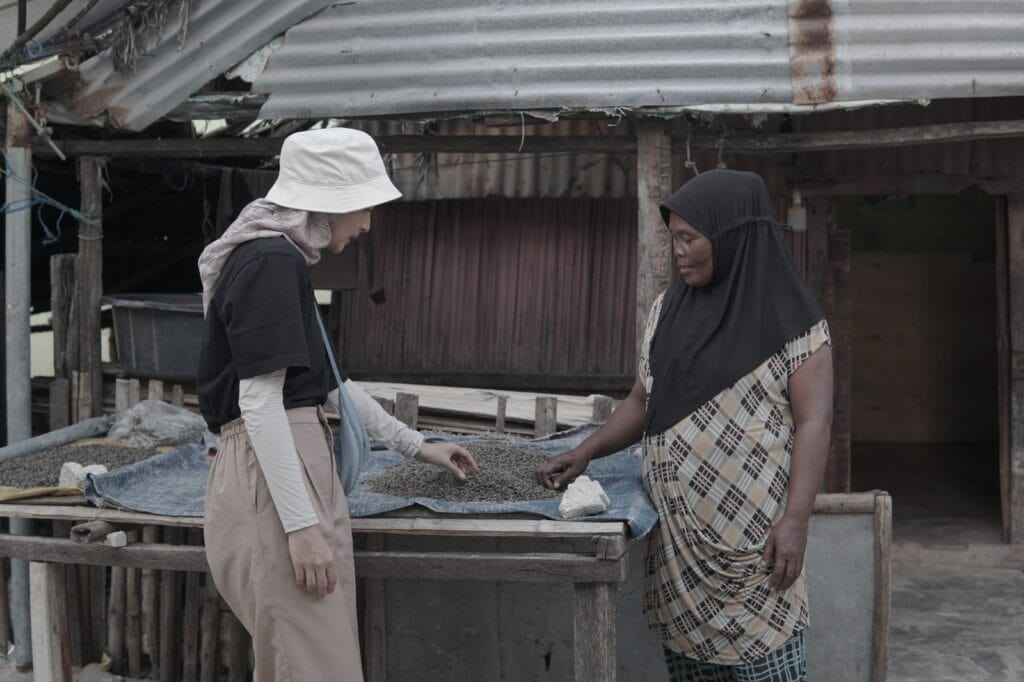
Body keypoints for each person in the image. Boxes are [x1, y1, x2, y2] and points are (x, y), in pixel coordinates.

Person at [196, 127, 478, 682]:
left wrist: (417, 445)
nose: (368, 223)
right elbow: (259, 403)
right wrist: (300, 528)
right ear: (331, 201)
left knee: (314, 664)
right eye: (365, 205)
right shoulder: (270, 262)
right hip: (276, 482)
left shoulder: (278, 260)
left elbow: (328, 387)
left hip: (285, 476)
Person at [536, 169, 832, 682]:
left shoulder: (795, 324)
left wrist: (797, 520)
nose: (678, 251)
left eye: (690, 238)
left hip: (754, 551)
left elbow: (815, 421)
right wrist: (587, 451)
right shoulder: (668, 310)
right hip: (681, 554)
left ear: (732, 236)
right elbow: (641, 399)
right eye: (674, 238)